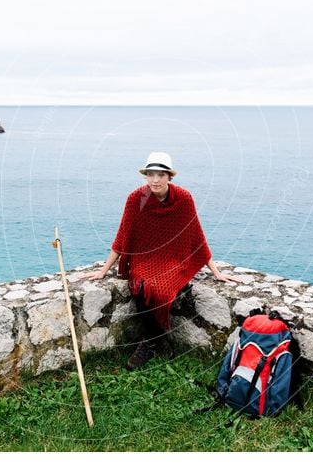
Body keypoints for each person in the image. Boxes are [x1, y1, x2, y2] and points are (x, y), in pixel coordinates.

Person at [80, 152, 241, 370]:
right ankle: (157, 340)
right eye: (150, 174)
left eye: (160, 174)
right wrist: (103, 270)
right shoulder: (136, 199)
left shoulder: (184, 198)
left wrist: (216, 272)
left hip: (174, 259)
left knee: (162, 287)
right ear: (146, 176)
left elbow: (197, 236)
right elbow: (123, 236)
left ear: (169, 177)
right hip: (144, 258)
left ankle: (149, 342)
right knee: (140, 285)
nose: (155, 180)